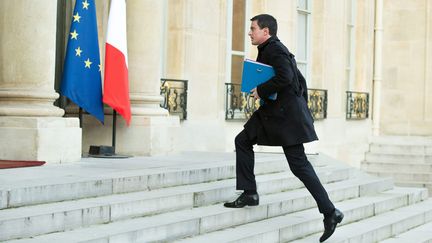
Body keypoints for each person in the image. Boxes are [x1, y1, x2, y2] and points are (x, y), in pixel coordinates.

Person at [223, 14, 343, 242]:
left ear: (265, 32)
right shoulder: (270, 48)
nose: (249, 32)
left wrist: (260, 90)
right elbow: (295, 79)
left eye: (252, 29)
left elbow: (286, 77)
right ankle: (249, 193)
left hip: (285, 117)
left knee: (298, 165)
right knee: (243, 140)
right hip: (275, 114)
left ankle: (330, 212)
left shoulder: (275, 50)